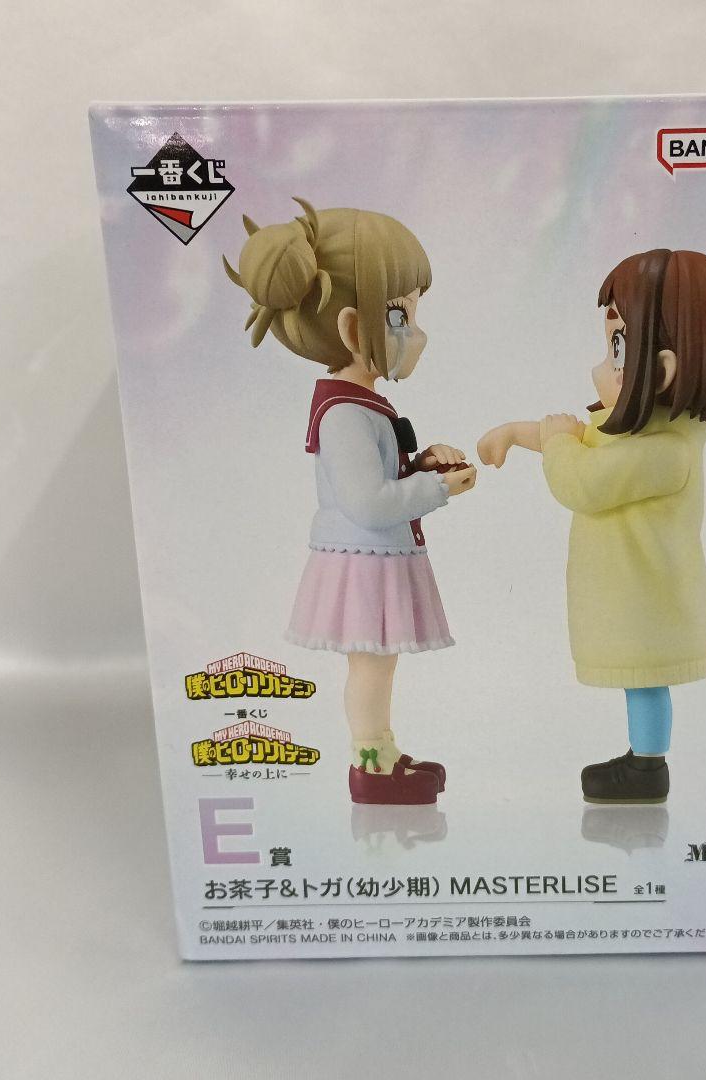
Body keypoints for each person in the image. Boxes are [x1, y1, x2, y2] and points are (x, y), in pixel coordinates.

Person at [478, 249, 706, 803]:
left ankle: (647, 768)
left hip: (648, 602)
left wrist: (557, 442)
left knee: (646, 683)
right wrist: (519, 433)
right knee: (641, 682)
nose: (603, 363)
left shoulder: (667, 452)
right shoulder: (644, 434)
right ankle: (641, 759)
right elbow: (582, 438)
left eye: (619, 346)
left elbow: (583, 481)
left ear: (663, 369)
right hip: (635, 597)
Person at [225, 200, 476, 804]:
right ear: (352, 329)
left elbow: (376, 480)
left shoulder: (359, 406)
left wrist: (421, 464)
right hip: (365, 561)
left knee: (377, 664)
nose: (414, 332)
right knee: (371, 665)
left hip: (373, 557)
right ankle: (371, 768)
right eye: (400, 314)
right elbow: (367, 502)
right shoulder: (343, 413)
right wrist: (438, 489)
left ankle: (382, 754)